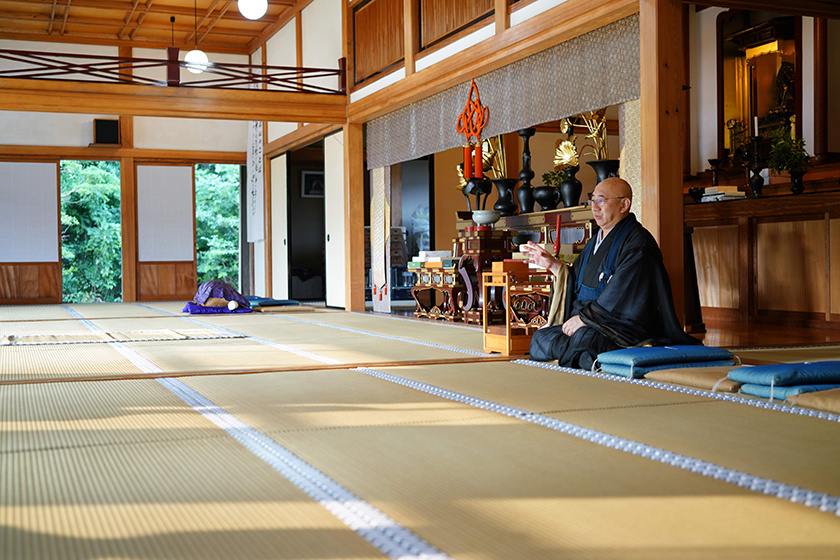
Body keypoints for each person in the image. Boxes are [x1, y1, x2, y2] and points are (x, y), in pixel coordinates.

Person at [519, 177, 701, 369]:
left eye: (601, 200)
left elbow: (623, 295)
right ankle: (578, 355)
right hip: (585, 321)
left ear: (624, 204)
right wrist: (554, 265)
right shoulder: (595, 241)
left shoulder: (639, 244)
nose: (594, 207)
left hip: (617, 328)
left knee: (586, 341)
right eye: (592, 200)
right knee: (540, 338)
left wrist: (583, 319)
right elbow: (578, 280)